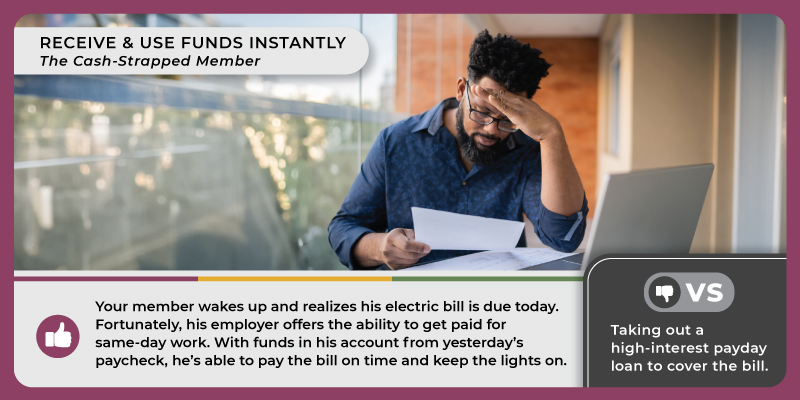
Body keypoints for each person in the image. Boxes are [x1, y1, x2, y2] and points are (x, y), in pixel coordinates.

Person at [328, 30, 588, 270]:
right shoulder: (395, 141)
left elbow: (563, 237)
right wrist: (380, 247)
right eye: (483, 111)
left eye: (508, 119)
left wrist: (552, 135)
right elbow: (342, 228)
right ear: (462, 89)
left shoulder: (527, 151)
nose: (492, 130)